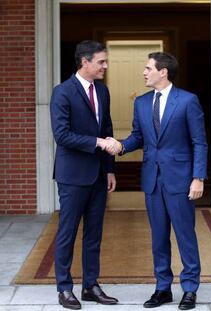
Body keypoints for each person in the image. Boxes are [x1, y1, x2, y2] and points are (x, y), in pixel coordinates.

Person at [107, 52, 207, 310]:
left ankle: (189, 289)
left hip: (181, 179)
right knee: (158, 237)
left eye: (148, 68)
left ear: (163, 72)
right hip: (152, 179)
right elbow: (138, 137)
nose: (144, 72)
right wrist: (120, 146)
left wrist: (198, 177)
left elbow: (199, 142)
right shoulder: (141, 102)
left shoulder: (187, 101)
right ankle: (163, 288)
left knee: (185, 235)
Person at [50, 40, 119, 310]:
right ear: (84, 62)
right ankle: (64, 288)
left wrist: (110, 168)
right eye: (101, 61)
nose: (105, 66)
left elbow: (108, 127)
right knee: (67, 233)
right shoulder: (62, 92)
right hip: (72, 176)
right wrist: (98, 143)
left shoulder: (102, 91)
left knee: (94, 234)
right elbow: (62, 135)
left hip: (99, 175)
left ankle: (90, 286)